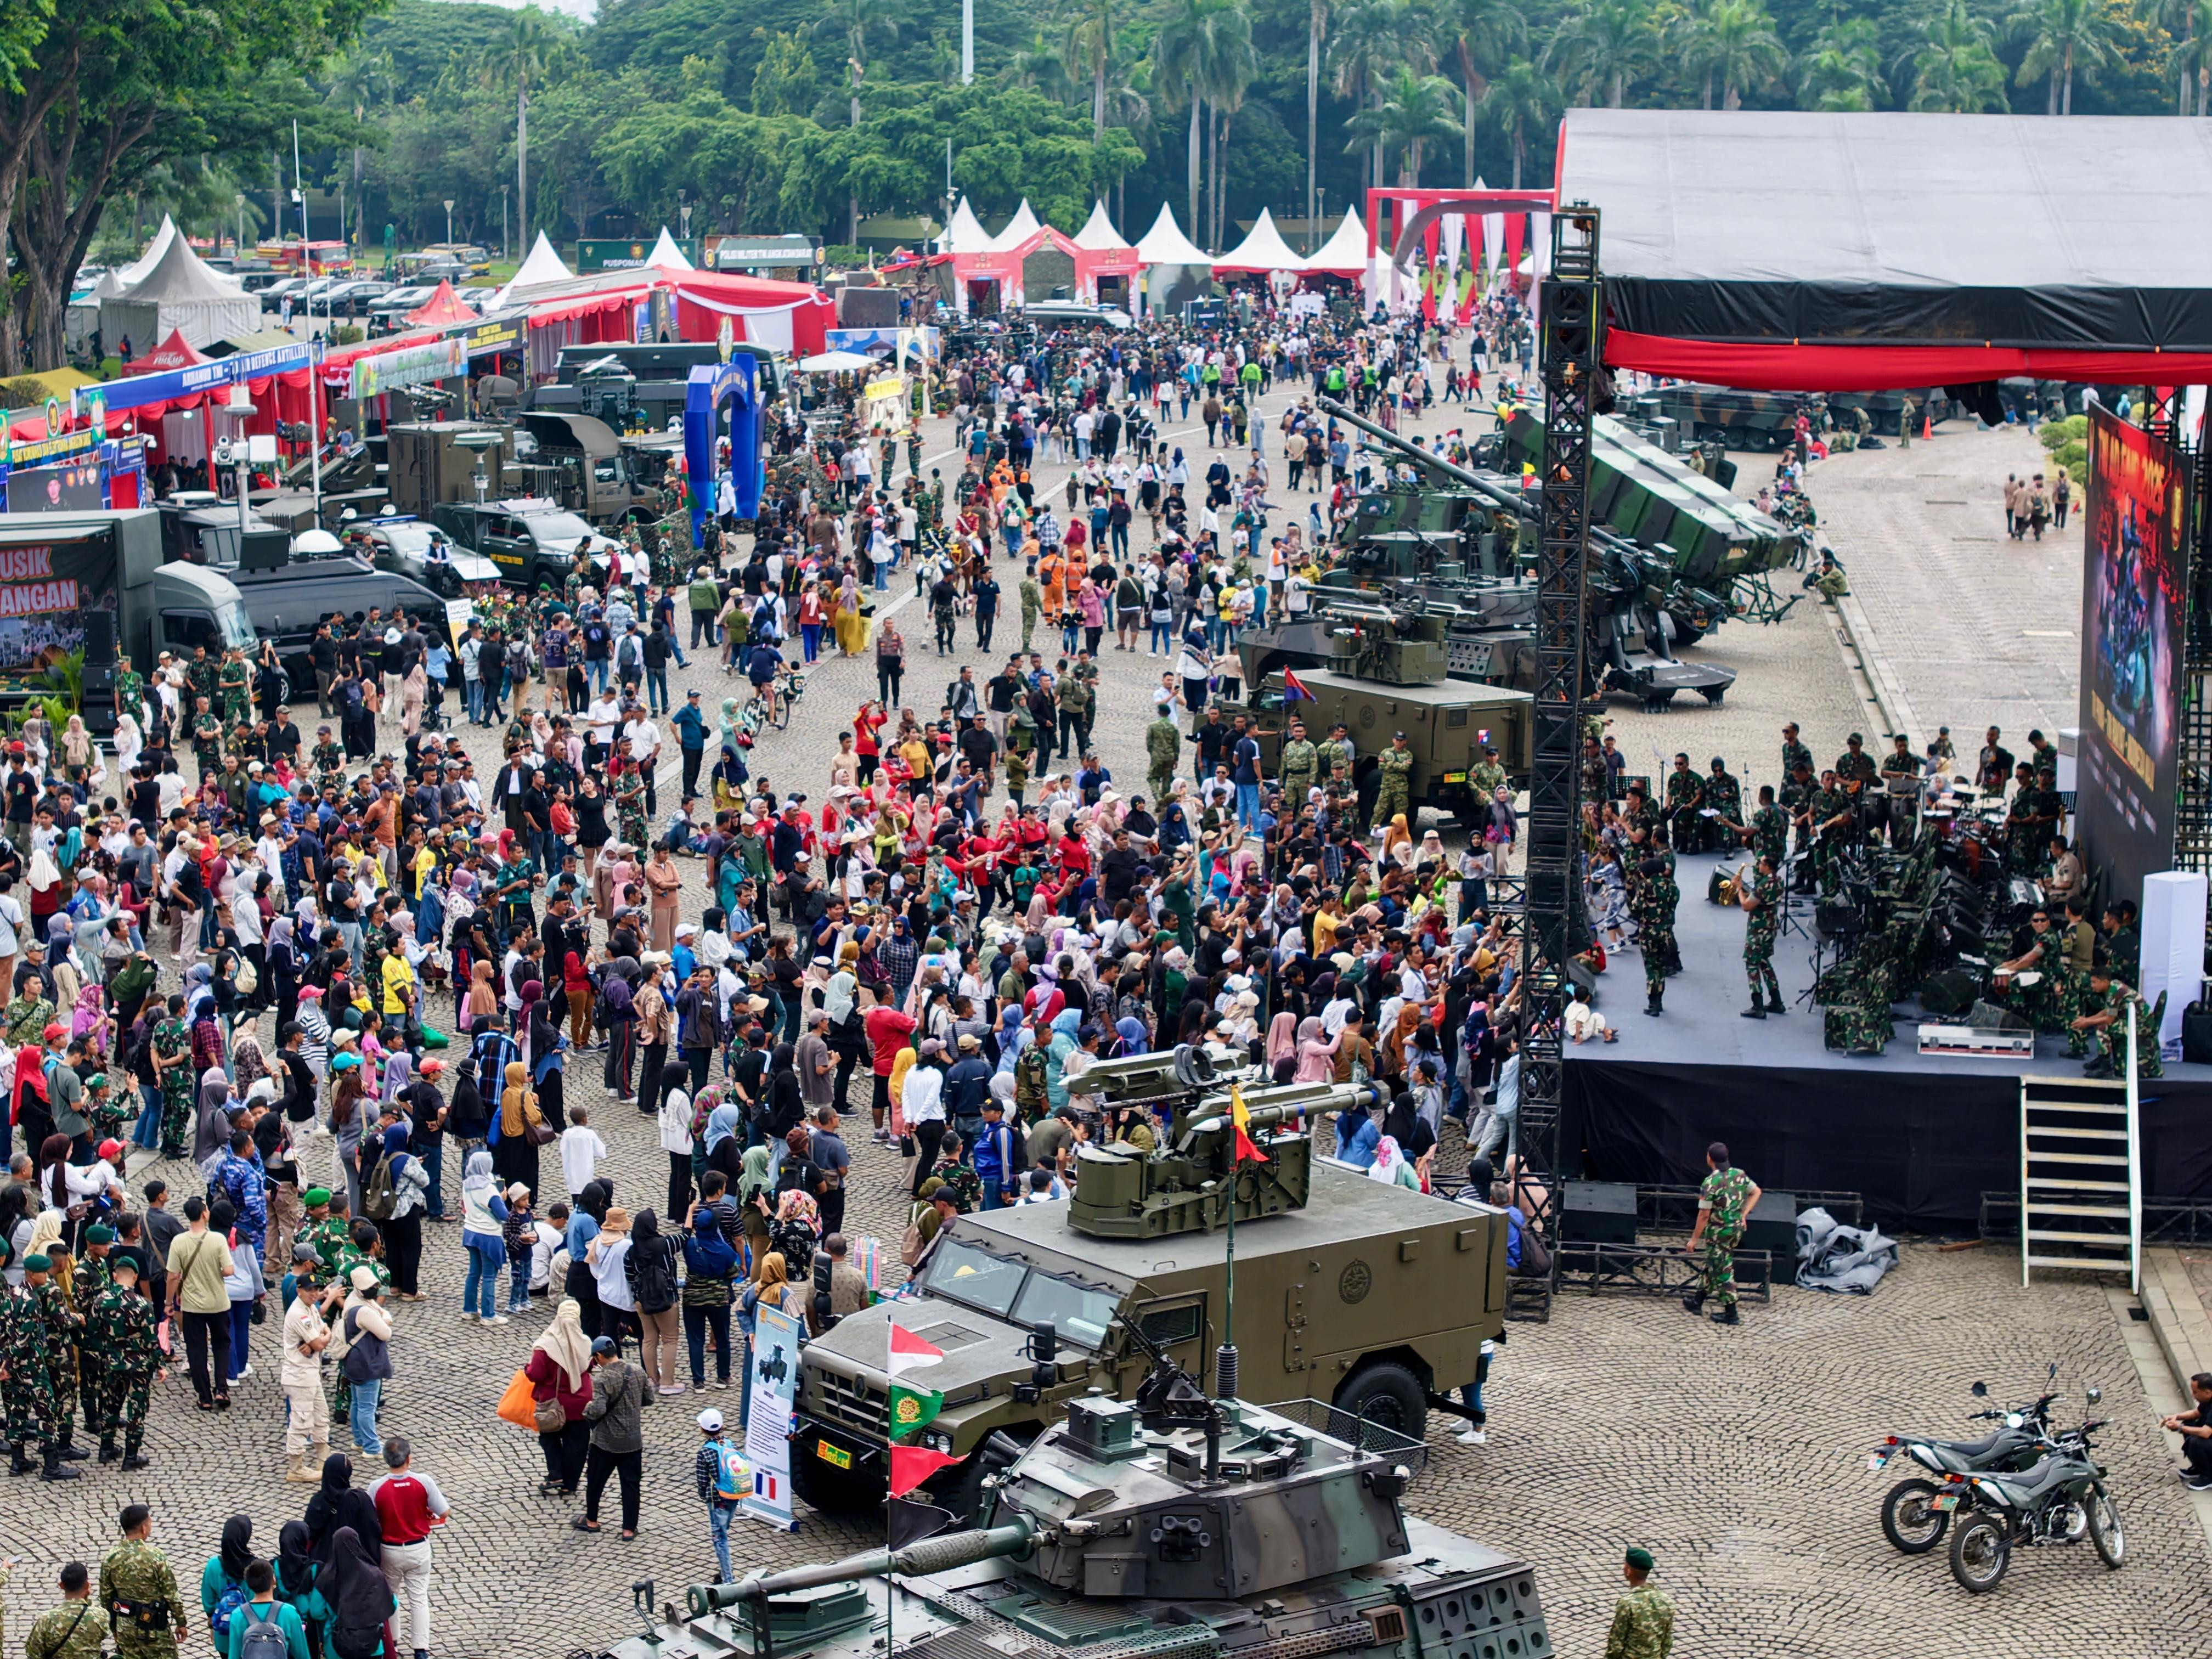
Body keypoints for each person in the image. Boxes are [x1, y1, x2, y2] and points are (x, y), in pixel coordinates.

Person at [368, 1437, 449, 1659]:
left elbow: (370, 1519)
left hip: (390, 1549)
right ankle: (420, 1648)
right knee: (419, 1597)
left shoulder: (376, 1487)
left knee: (390, 1595)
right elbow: (443, 1511)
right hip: (418, 1548)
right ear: (409, 1458)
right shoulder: (423, 1482)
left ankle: (392, 1640)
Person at [574, 1335, 655, 1539]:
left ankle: (591, 1520)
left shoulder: (602, 1379)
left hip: (606, 1442)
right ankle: (628, 1529)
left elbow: (598, 1408)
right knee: (630, 1485)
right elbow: (649, 1399)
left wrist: (587, 1410)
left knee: (595, 1481)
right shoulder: (637, 1371)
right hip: (632, 1441)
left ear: (600, 1356)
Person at [1681, 1142, 1757, 1327]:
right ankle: (1697, 1301)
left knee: (1723, 1270)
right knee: (1715, 1262)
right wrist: (1743, 1214)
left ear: (1709, 1158)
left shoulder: (1710, 1182)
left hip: (1718, 1232)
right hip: (1735, 1230)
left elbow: (1704, 1214)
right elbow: (1756, 1192)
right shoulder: (1739, 1174)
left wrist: (1693, 1240)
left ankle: (1731, 1313)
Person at [100, 1503, 188, 1659]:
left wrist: (114, 1627)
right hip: (154, 1629)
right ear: (143, 1528)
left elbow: (106, 1598)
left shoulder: (111, 1558)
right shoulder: (156, 1557)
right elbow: (171, 1595)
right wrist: (181, 1623)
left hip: (125, 1628)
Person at [525, 1299, 594, 1496]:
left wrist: (527, 1369)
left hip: (553, 1404)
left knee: (550, 1438)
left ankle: (556, 1474)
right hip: (581, 1402)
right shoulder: (586, 1342)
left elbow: (536, 1374)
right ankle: (570, 1484)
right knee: (578, 1443)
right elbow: (589, 1366)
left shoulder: (545, 1346)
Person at [279, 1253, 334, 1482]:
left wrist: (323, 1336)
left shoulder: (310, 1308)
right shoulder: (299, 1313)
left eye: (316, 1289)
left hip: (310, 1374)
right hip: (299, 1376)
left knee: (321, 1416)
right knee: (301, 1422)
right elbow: (320, 1342)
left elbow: (325, 1330)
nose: (314, 1293)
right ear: (299, 1290)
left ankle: (323, 1458)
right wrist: (321, 1339)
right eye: (310, 1290)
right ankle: (296, 1467)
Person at [313, 1527, 394, 1659]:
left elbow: (316, 1611)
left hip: (337, 1647)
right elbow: (392, 1604)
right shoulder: (375, 1575)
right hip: (372, 1645)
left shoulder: (326, 1578)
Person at [338, 1266, 394, 1458]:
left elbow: (383, 1315)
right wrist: (383, 1317)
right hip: (367, 1363)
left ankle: (359, 1440)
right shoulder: (365, 1311)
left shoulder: (354, 1300)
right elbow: (386, 1331)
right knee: (367, 1407)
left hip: (354, 1360)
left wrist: (383, 1316)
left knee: (357, 1402)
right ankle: (371, 1447)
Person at [693, 1407, 746, 1583]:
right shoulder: (730, 1444)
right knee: (724, 1530)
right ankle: (725, 1574)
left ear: (702, 1429)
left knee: (720, 1538)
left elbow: (702, 1481)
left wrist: (705, 1496)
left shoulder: (704, 1452)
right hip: (734, 1495)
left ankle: (728, 1579)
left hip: (718, 1500)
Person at [222, 1559, 307, 1659]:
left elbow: (234, 1656)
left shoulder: (238, 1615)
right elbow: (303, 1655)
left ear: (249, 1584)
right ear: (274, 1580)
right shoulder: (289, 1613)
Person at [24, 1561, 106, 1659]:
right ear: (87, 1585)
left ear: (61, 1585)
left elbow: (33, 1653)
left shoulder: (46, 1621)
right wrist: (87, 1600)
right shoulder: (101, 1616)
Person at [1603, 1546, 1673, 1659]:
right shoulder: (1666, 1601)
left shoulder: (1627, 1604)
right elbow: (1667, 1641)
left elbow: (1616, 1645)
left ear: (1629, 1571)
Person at [2162, 1371, 2212, 1490]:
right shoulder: (2207, 1400)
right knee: (2188, 1425)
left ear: (2208, 1392)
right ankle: (2199, 1467)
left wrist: (2179, 1428)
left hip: (2208, 1436)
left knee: (2196, 1441)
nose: (2193, 1395)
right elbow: (2195, 1413)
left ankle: (2209, 1477)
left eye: (2196, 1392)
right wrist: (2175, 1417)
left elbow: (2206, 1433)